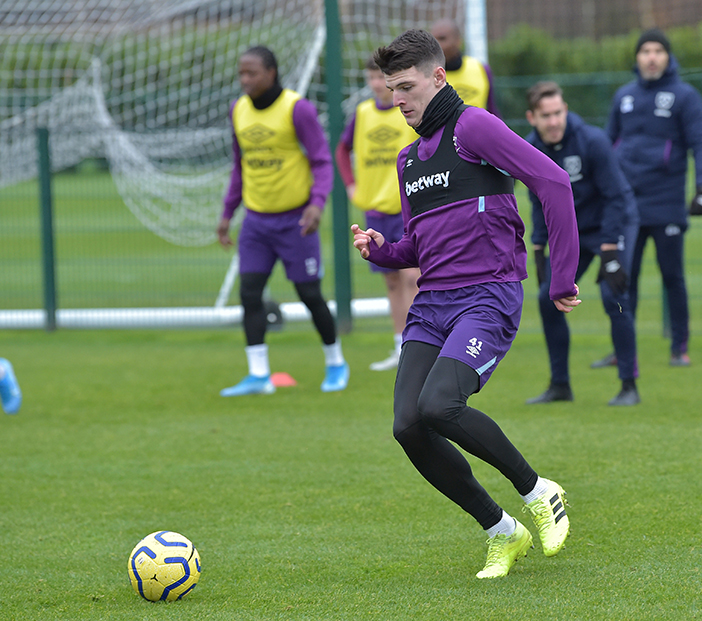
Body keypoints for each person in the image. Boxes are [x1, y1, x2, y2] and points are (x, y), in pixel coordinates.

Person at [352, 29, 581, 579]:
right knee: (407, 424)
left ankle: (539, 491)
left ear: (438, 77)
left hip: (487, 296)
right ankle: (501, 530)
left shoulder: (472, 126)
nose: (397, 100)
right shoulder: (408, 160)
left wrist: (561, 277)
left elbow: (552, 182)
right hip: (432, 303)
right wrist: (384, 252)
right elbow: (419, 244)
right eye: (390, 90)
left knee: (439, 406)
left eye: (406, 87)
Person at [217, 46, 348, 396]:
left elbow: (321, 161)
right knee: (249, 293)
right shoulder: (238, 110)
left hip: (296, 222)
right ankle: (258, 375)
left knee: (309, 294)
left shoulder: (297, 109)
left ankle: (336, 362)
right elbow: (239, 166)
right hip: (257, 223)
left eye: (252, 73)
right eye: (241, 73)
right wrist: (228, 212)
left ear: (271, 73)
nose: (245, 80)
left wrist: (316, 204)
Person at [593, 28, 702, 368]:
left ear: (668, 57)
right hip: (627, 204)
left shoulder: (685, 97)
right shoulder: (624, 97)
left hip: (668, 201)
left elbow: (701, 143)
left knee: (672, 276)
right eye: (645, 50)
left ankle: (680, 347)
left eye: (658, 50)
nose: (651, 57)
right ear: (637, 58)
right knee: (623, 277)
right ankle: (622, 349)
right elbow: (605, 146)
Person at [523, 82, 641, 407]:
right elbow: (537, 202)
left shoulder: (592, 141)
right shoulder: (530, 150)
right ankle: (560, 385)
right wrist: (537, 247)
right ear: (532, 117)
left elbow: (616, 197)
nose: (554, 121)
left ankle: (629, 385)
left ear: (566, 109)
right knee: (549, 300)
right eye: (546, 115)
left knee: (613, 295)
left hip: (612, 223)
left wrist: (610, 251)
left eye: (559, 112)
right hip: (571, 231)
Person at [335, 57, 419, 371]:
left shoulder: (407, 110)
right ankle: (399, 347)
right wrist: (351, 184)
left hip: (407, 208)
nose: (374, 84)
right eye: (370, 78)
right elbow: (342, 150)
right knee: (392, 283)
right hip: (376, 212)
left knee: (414, 277)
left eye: (379, 78)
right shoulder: (361, 114)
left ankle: (419, 344)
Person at [430, 18, 500, 116]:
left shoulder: (481, 69)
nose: (436, 45)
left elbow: (492, 110)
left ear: (458, 41)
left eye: (442, 39)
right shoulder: (426, 74)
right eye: (433, 40)